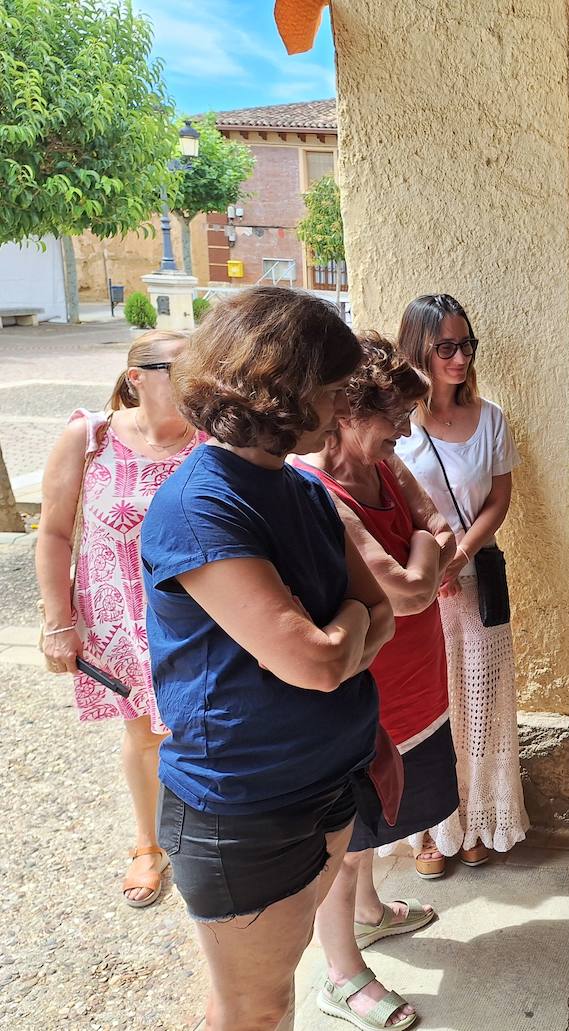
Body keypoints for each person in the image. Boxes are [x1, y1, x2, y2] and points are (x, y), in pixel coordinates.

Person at [140, 287, 395, 1030]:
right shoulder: (201, 505)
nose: (342, 406)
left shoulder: (299, 489)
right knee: (260, 1008)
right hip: (244, 808)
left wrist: (344, 637)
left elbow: (379, 609)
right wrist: (347, 632)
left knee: (253, 991)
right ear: (281, 389)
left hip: (322, 783)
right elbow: (315, 661)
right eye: (331, 388)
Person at [294, 332, 459, 1029]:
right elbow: (411, 585)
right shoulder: (318, 488)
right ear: (347, 411)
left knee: (376, 824)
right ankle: (341, 973)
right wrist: (424, 552)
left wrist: (423, 554)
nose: (404, 431)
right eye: (393, 417)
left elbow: (442, 530)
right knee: (347, 834)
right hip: (364, 697)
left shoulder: (385, 468)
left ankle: (367, 913)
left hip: (415, 683)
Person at [35, 329, 204, 908]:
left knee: (205, 724)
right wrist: (59, 621)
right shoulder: (90, 436)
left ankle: (209, 838)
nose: (195, 381)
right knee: (145, 733)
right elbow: (56, 533)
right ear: (137, 379)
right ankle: (148, 842)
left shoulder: (211, 439)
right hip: (119, 614)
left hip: (198, 613)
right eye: (180, 370)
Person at [396, 293, 530, 869]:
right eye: (444, 347)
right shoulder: (398, 424)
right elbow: (390, 504)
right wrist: (433, 564)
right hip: (422, 588)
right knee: (432, 708)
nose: (459, 358)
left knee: (484, 703)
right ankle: (431, 829)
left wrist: (462, 554)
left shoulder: (490, 417)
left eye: (466, 345)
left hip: (478, 581)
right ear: (418, 351)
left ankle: (477, 820)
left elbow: (499, 499)